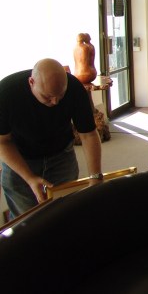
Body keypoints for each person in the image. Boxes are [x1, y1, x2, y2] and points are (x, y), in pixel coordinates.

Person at [0, 58, 103, 219]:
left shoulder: (74, 88)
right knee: (27, 220)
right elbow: (2, 142)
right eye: (48, 96)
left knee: (63, 212)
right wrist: (30, 178)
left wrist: (95, 176)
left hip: (61, 154)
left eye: (60, 95)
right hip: (20, 158)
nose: (55, 102)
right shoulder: (6, 93)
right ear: (31, 82)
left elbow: (88, 134)